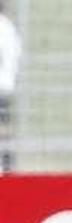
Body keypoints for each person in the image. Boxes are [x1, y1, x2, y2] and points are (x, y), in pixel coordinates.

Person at [0, 0, 21, 173]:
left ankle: (5, 171)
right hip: (6, 87)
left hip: (1, 88)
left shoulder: (4, 27)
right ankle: (6, 169)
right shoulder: (8, 27)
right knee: (4, 134)